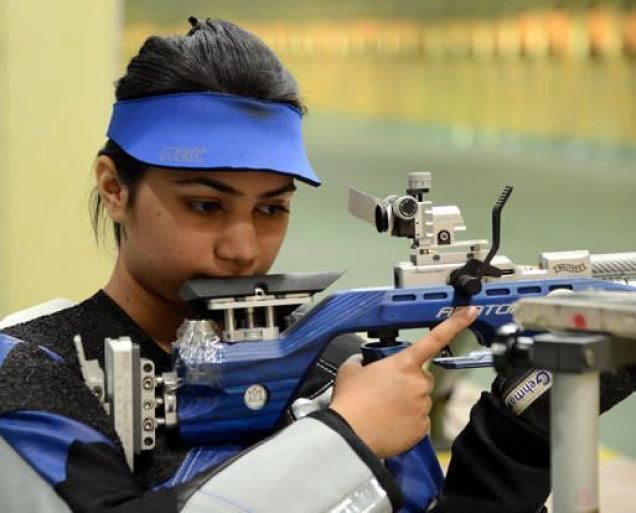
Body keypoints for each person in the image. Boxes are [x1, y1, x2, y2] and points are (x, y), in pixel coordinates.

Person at [0, 17, 632, 513]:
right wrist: (343, 436)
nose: (243, 247)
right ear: (114, 186)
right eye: (204, 204)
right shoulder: (29, 377)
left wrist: (520, 431)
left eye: (272, 210)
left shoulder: (330, 363)